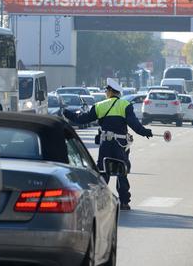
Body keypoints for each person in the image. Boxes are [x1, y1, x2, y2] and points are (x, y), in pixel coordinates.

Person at [64, 78, 153, 210]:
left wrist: (67, 113)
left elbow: (82, 119)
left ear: (111, 91)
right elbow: (134, 124)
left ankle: (97, 201)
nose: (106, 92)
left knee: (103, 172)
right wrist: (145, 132)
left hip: (105, 144)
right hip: (120, 145)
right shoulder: (125, 105)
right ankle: (124, 202)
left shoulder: (100, 106)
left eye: (107, 90)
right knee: (122, 171)